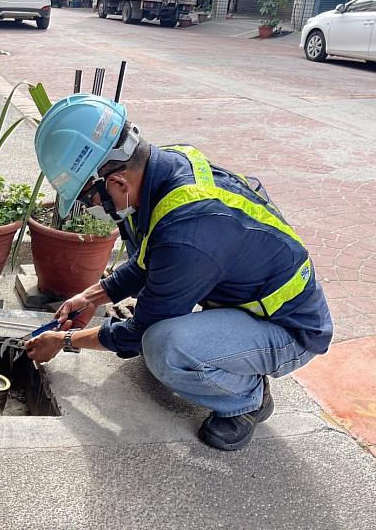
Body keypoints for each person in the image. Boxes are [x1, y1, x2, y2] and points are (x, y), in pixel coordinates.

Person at [26, 94, 333, 451]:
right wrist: (89, 297)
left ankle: (247, 398)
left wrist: (62, 342)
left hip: (291, 331)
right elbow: (147, 261)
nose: (90, 210)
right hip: (247, 303)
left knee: (162, 346)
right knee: (158, 333)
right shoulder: (162, 172)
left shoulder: (188, 235)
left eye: (88, 200)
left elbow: (138, 332)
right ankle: (232, 364)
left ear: (118, 183)